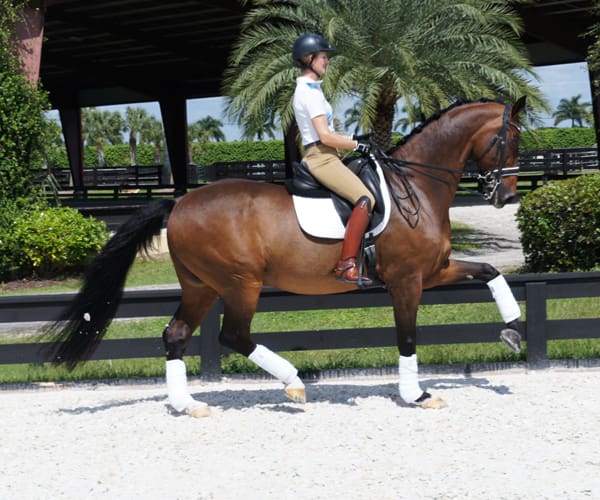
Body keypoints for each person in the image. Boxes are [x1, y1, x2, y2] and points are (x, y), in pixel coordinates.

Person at [292, 33, 376, 286]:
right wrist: (356, 144)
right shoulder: (308, 93)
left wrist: (355, 138)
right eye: (323, 57)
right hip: (321, 158)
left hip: (329, 155)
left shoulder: (313, 89)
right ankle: (347, 264)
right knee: (365, 198)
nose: (327, 61)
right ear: (309, 58)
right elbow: (325, 136)